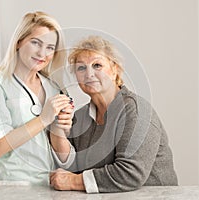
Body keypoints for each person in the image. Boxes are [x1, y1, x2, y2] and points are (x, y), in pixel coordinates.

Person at [49, 35, 178, 193]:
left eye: (97, 65)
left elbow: (130, 174)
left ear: (115, 70)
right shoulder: (80, 116)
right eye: (81, 68)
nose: (89, 74)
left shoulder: (136, 111)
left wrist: (73, 181)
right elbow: (72, 166)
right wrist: (58, 129)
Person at [0, 11, 73, 186]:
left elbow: (65, 159)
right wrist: (43, 119)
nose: (43, 53)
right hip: (14, 187)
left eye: (50, 47)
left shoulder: (54, 89)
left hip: (51, 186)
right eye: (35, 43)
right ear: (19, 42)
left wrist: (59, 128)